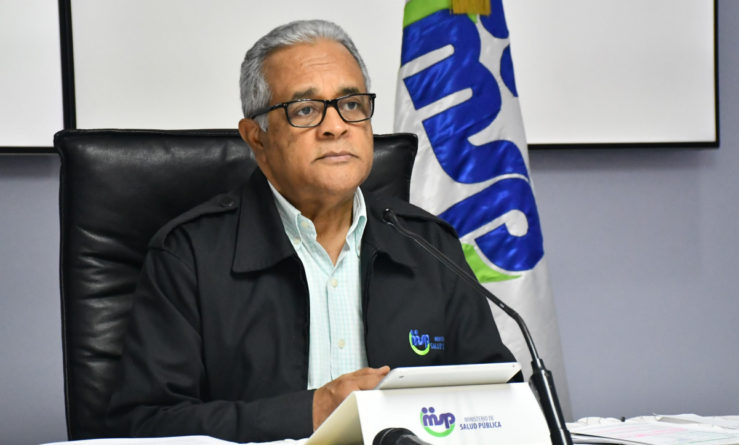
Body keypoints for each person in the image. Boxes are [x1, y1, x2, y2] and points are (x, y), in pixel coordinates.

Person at [106, 19, 514, 442]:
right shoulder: (189, 255)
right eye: (305, 110)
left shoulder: (429, 246)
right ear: (256, 138)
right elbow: (144, 426)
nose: (336, 126)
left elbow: (499, 400)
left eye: (351, 104)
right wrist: (311, 411)